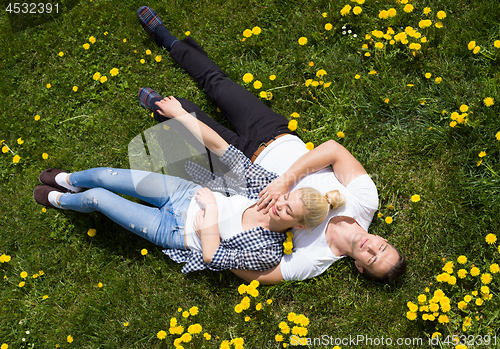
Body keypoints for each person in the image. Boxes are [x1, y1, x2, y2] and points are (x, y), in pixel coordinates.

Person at [135, 6, 407, 284]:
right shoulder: (364, 202)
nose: (371, 247)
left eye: (372, 258)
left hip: (238, 171)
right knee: (218, 84)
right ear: (382, 238)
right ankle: (166, 37)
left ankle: (159, 105)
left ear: (361, 268)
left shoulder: (316, 258)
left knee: (184, 120)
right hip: (271, 133)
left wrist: (219, 245)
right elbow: (333, 150)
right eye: (381, 246)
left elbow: (262, 274)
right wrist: (284, 182)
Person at [33, 96, 345, 274]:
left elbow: (213, 258)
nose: (278, 205)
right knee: (104, 176)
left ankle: (61, 202)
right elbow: (225, 149)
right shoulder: (266, 188)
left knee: (99, 199)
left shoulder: (267, 252)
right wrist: (181, 114)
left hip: (171, 231)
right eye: (286, 199)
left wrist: (210, 211)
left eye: (287, 211)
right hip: (182, 193)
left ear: (300, 226)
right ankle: (68, 180)